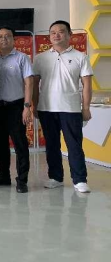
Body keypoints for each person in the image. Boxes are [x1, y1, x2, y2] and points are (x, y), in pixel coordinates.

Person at [32, 20, 93, 193]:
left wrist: (86, 108)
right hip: (46, 108)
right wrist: (34, 105)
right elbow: (34, 85)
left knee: (74, 145)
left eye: (61, 31)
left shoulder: (81, 57)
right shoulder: (40, 58)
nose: (56, 35)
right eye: (53, 32)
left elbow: (87, 85)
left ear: (69, 34)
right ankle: (55, 177)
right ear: (49, 36)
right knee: (51, 145)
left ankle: (80, 180)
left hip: (71, 109)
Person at [0, 27, 33, 193]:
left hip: (16, 106)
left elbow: (29, 83)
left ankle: (22, 180)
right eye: (0, 36)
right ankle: (4, 176)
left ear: (14, 39)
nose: (3, 39)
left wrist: (27, 106)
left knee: (20, 144)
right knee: (0, 144)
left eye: (7, 36)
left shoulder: (22, 58)